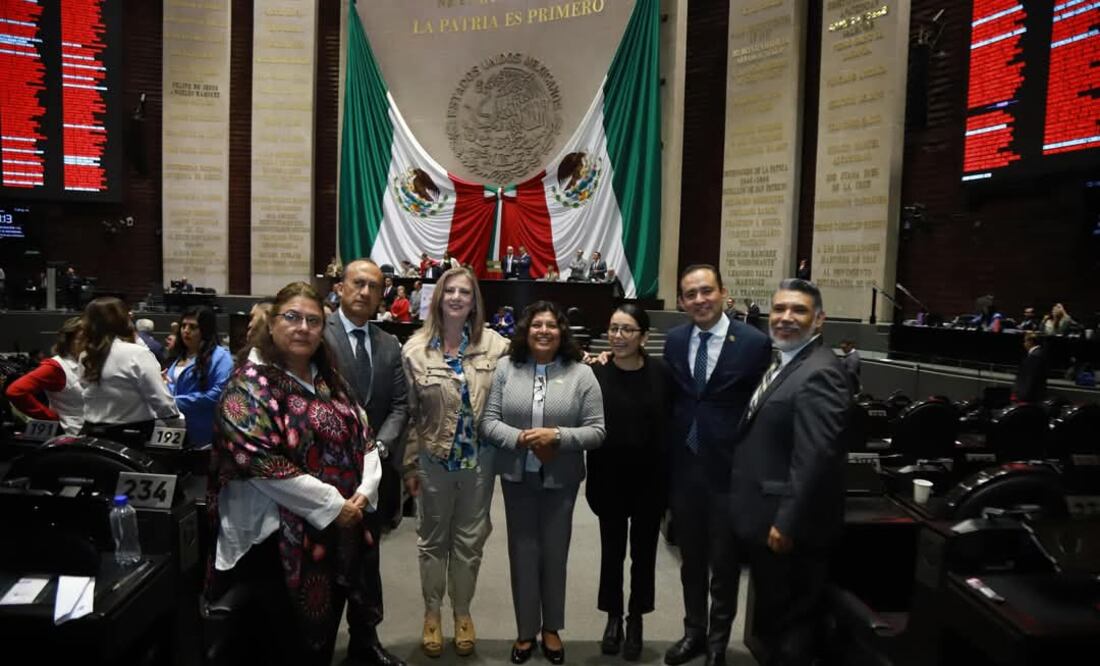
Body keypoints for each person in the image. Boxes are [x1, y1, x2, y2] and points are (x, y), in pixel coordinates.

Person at [206, 281, 380, 666]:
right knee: (279, 645)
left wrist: (365, 491)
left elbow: (365, 435)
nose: (303, 327)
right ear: (272, 323)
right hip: (270, 545)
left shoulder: (330, 379)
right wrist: (335, 504)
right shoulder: (248, 384)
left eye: (313, 321)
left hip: (333, 534)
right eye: (292, 317)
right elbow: (260, 462)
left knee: (317, 642)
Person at [727, 278, 854, 666]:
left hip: (790, 531)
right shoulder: (785, 362)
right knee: (773, 622)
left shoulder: (822, 372)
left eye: (798, 310)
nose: (785, 318)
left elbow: (816, 457)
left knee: (792, 632)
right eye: (779, 309)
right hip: (767, 521)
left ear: (819, 320)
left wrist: (787, 523)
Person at [481, 301, 606, 665]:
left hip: (561, 479)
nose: (544, 331)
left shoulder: (582, 373)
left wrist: (558, 436)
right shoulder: (506, 368)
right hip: (518, 476)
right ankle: (524, 632)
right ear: (526, 329)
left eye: (552, 325)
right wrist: (519, 438)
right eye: (537, 324)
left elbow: (597, 431)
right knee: (522, 554)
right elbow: (488, 422)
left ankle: (551, 628)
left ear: (561, 331)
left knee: (555, 554)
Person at [662, 265, 770, 666]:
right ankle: (694, 632)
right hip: (686, 470)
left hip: (730, 471)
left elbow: (762, 408)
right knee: (691, 560)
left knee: (724, 566)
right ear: (681, 301)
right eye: (691, 294)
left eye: (707, 291)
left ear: (724, 293)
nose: (700, 300)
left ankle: (718, 645)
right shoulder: (674, 341)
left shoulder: (754, 343)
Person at [401, 267, 510, 657]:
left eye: (465, 291)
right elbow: (411, 415)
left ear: (474, 300)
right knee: (432, 543)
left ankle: (462, 612)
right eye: (451, 290)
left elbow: (532, 368)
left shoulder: (497, 347)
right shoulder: (415, 350)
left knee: (469, 543)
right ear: (439, 297)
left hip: (479, 464)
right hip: (433, 462)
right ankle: (432, 613)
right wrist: (410, 466)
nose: (457, 297)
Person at [322, 259, 408, 666]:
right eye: (358, 284)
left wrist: (380, 449)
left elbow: (399, 405)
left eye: (374, 287)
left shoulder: (389, 344)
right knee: (324, 560)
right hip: (324, 473)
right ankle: (320, 642)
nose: (365, 293)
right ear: (340, 287)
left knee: (367, 560)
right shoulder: (317, 334)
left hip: (372, 476)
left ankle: (365, 640)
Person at [587, 305, 670, 661]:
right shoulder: (595, 372)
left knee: (644, 554)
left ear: (644, 337)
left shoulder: (663, 374)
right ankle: (612, 618)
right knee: (612, 552)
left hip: (651, 479)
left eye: (627, 330)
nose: (618, 336)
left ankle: (636, 619)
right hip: (609, 477)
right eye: (613, 329)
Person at [80, 297, 179, 444]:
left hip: (91, 434)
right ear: (123, 320)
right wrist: (179, 427)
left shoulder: (85, 355)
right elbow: (162, 403)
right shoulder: (137, 353)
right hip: (130, 437)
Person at [165, 306, 233, 449]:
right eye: (183, 326)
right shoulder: (179, 357)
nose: (186, 330)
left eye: (193, 327)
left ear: (205, 330)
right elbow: (171, 387)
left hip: (204, 433)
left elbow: (217, 395)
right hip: (174, 430)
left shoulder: (221, 357)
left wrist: (174, 402)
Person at [5, 316, 85, 434]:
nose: (89, 343)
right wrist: (51, 418)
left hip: (94, 430)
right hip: (72, 435)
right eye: (82, 339)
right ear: (68, 341)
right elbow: (16, 391)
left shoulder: (91, 362)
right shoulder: (56, 367)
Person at [1012, 332, 1048, 403]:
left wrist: (1023, 395)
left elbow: (1030, 378)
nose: (1024, 344)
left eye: (1025, 341)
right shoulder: (1040, 353)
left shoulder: (1035, 356)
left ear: (1031, 341)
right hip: (1035, 394)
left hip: (1030, 396)